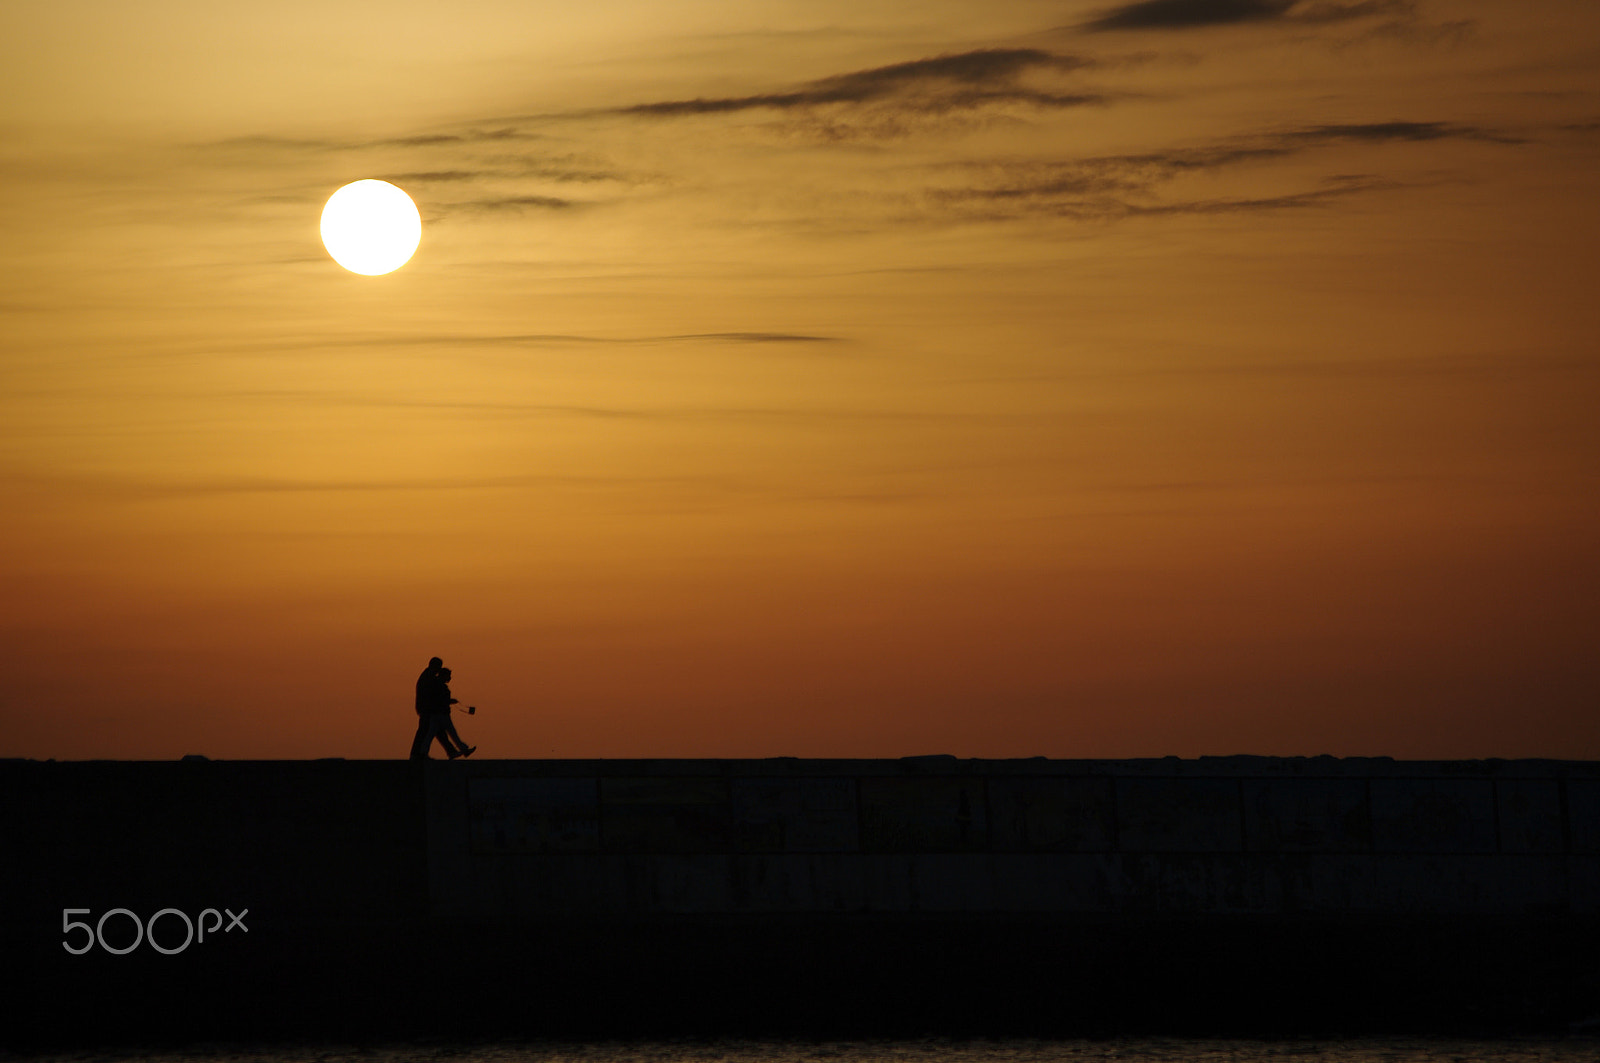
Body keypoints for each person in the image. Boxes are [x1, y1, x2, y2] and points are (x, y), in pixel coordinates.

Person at [409, 657, 476, 760]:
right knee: (425, 732)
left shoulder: (428, 676)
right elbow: (434, 696)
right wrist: (447, 701)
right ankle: (417, 754)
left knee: (436, 733)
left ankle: (451, 751)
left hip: (429, 710)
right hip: (428, 710)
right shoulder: (429, 678)